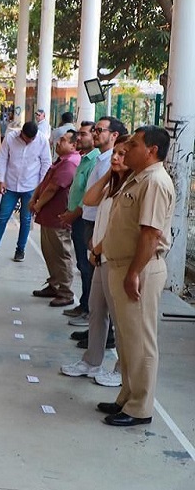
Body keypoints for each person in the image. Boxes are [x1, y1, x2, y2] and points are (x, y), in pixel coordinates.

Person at [97, 127, 173, 427]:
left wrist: (134, 274)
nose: (127, 148)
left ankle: (140, 407)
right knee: (128, 340)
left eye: (135, 144)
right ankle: (126, 396)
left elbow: (151, 234)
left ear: (152, 150)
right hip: (123, 266)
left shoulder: (154, 181)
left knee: (141, 341)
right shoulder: (137, 176)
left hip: (139, 270)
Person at [61, 135, 131, 386]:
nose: (115, 157)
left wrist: (98, 247)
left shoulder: (133, 187)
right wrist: (109, 175)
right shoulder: (113, 183)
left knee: (120, 318)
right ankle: (91, 361)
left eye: (123, 154)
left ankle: (121, 369)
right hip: (102, 256)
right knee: (96, 309)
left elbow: (122, 228)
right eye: (116, 153)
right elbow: (89, 199)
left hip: (114, 256)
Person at [0, 121, 51, 263]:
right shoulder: (11, 137)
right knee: (2, 218)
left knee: (25, 220)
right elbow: (2, 159)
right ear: (21, 133)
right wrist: (1, 179)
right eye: (26, 138)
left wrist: (40, 188)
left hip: (31, 186)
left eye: (31, 140)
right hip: (11, 185)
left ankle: (20, 250)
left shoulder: (42, 140)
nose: (28, 141)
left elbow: (46, 164)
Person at [29, 131, 81, 307]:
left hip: (58, 217)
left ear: (73, 146)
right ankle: (54, 284)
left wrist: (37, 205)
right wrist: (34, 198)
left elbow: (53, 188)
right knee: (50, 253)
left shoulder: (70, 163)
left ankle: (65, 291)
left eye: (64, 141)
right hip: (48, 216)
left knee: (60, 254)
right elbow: (45, 182)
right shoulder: (61, 161)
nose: (58, 143)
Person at [56, 122, 97, 320]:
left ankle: (89, 308)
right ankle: (84, 305)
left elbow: (89, 194)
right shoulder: (84, 159)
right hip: (78, 218)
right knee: (82, 264)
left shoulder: (97, 160)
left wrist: (73, 214)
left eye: (83, 134)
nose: (78, 138)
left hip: (85, 219)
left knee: (87, 266)